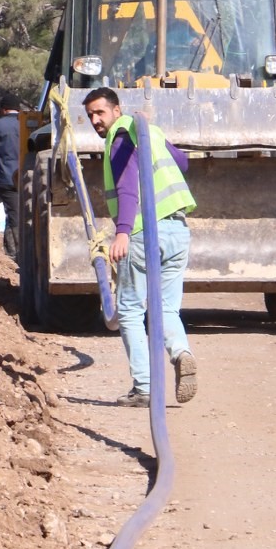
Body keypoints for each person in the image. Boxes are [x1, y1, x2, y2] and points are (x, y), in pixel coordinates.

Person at [84, 87, 198, 408]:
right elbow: (183, 163)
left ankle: (145, 387)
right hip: (177, 230)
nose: (95, 120)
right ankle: (181, 352)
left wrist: (121, 233)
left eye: (100, 113)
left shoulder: (121, 137)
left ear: (116, 110)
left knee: (131, 310)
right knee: (166, 307)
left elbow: (127, 185)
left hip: (144, 231)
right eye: (90, 115)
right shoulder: (148, 131)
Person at [0, 95, 22, 259]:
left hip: (6, 178)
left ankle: (18, 252)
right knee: (16, 214)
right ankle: (13, 252)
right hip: (28, 178)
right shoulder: (27, 124)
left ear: (3, 109)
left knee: (13, 214)